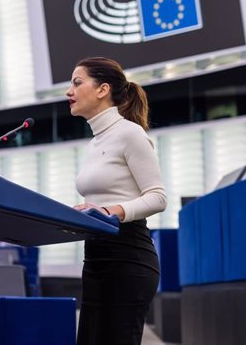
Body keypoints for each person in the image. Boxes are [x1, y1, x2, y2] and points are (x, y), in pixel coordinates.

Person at [66, 57, 167, 345]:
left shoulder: (130, 134)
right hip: (95, 258)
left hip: (128, 257)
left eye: (77, 82)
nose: (68, 91)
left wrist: (110, 211)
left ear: (102, 90)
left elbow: (158, 197)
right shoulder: (94, 143)